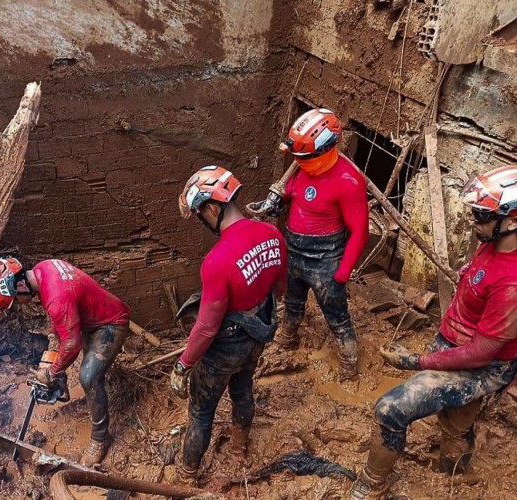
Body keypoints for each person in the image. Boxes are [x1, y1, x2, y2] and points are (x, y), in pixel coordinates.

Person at [347, 165, 517, 499]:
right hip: (458, 342)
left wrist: (416, 360)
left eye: (481, 215)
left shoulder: (512, 283)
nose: (473, 221)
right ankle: (452, 475)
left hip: (481, 364)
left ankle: (372, 483)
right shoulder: (495, 240)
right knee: (455, 420)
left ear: (513, 220)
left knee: (390, 409)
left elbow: (483, 352)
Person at [172, 165, 286, 482]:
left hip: (225, 346)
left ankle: (187, 474)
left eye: (199, 214)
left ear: (211, 207)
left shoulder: (218, 261)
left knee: (201, 411)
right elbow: (280, 289)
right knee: (242, 390)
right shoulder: (272, 234)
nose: (200, 220)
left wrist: (182, 365)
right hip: (257, 336)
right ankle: (239, 451)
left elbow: (207, 327)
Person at [0, 257, 130, 466]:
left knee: (88, 377)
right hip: (90, 317)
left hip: (110, 323)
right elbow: (63, 320)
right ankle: (90, 395)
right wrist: (54, 353)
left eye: (16, 299)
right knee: (82, 367)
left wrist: (52, 372)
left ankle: (100, 438)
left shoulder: (56, 299)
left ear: (20, 284)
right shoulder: (44, 268)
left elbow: (72, 344)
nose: (19, 305)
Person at [268, 108, 369, 381]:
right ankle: (288, 337)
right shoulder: (305, 167)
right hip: (294, 250)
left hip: (325, 258)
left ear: (326, 149)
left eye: (305, 157)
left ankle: (348, 364)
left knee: (337, 316)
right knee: (293, 302)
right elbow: (296, 190)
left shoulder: (348, 181)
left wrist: (343, 271)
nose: (299, 162)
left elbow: (360, 230)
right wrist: (281, 198)